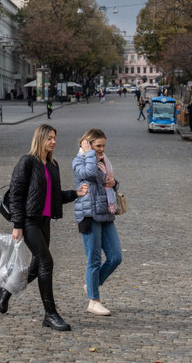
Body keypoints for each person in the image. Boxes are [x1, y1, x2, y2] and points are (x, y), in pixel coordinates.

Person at [0, 124, 88, 331]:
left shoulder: (52, 165)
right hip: (29, 221)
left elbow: (54, 197)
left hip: (44, 221)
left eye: (55, 138)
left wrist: (75, 194)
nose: (53, 141)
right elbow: (16, 196)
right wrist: (17, 226)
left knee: (37, 266)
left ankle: (7, 291)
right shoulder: (27, 162)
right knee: (46, 262)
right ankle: (50, 314)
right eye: (49, 138)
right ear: (40, 139)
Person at [73, 129, 122, 317]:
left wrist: (113, 183)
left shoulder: (103, 161)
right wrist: (89, 154)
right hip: (89, 214)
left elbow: (108, 182)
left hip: (106, 212)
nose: (102, 150)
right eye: (98, 146)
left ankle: (91, 284)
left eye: (103, 146)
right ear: (88, 144)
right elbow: (89, 174)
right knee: (93, 259)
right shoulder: (79, 161)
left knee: (116, 257)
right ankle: (94, 301)